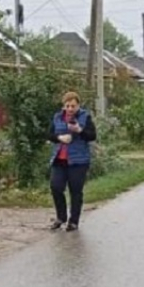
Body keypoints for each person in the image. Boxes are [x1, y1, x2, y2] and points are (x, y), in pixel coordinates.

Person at [47, 91, 97, 232]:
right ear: (63, 106)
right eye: (67, 106)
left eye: (73, 106)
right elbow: (49, 134)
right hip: (59, 158)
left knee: (75, 191)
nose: (70, 109)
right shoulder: (57, 117)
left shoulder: (85, 117)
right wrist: (59, 138)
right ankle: (61, 217)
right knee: (56, 187)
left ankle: (73, 221)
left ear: (78, 106)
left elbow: (92, 136)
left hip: (78, 161)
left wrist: (79, 130)